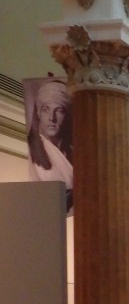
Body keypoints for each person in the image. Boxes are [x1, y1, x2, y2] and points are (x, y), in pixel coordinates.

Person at [26, 79, 73, 213]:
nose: (51, 118)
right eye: (46, 110)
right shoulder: (32, 150)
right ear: (39, 113)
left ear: (66, 114)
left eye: (59, 110)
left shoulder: (73, 153)